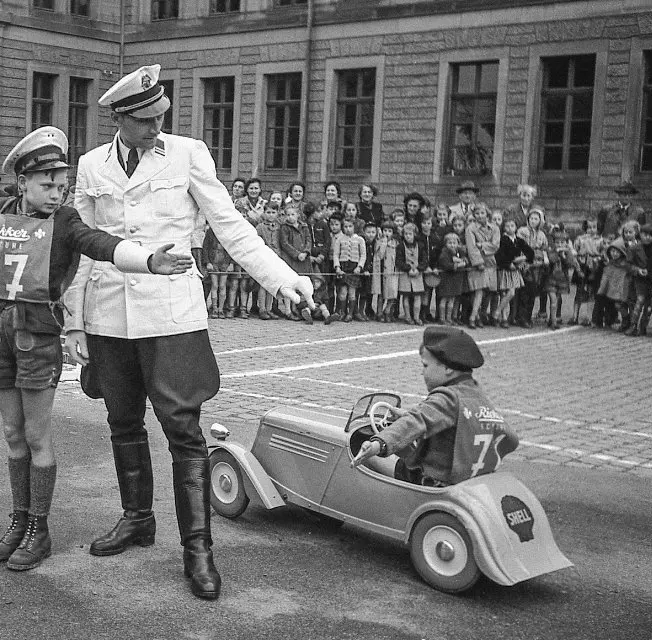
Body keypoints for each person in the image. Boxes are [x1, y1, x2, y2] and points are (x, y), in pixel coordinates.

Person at [0, 126, 192, 572]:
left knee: (36, 436)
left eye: (62, 186)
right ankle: (19, 521)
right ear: (23, 182)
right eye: (47, 185)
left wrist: (147, 260)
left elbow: (99, 244)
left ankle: (38, 530)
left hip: (37, 336)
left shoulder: (65, 222)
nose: (56, 194)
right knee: (12, 435)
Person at [61, 65, 313, 601]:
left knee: (184, 432)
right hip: (109, 314)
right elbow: (83, 244)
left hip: (172, 315)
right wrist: (75, 321)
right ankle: (136, 519)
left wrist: (281, 280)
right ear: (122, 119)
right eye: (147, 121)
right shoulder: (90, 165)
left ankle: (197, 550)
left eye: (160, 119)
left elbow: (231, 226)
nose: (157, 129)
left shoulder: (188, 153)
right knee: (122, 419)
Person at [353, 327, 518, 487]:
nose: (422, 372)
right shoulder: (475, 394)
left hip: (433, 482)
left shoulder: (447, 397)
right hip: (468, 481)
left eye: (425, 366)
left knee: (359, 449)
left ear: (447, 369)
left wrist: (379, 443)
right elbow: (511, 438)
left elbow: (418, 419)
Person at [333, 218, 366, 322]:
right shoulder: (339, 239)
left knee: (352, 293)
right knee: (343, 292)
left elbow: (363, 255)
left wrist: (359, 267)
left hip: (354, 268)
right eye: (345, 227)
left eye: (350, 226)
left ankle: (350, 314)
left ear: (354, 227)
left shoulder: (360, 240)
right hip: (343, 268)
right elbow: (336, 254)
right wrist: (337, 267)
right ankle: (342, 312)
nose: (348, 229)